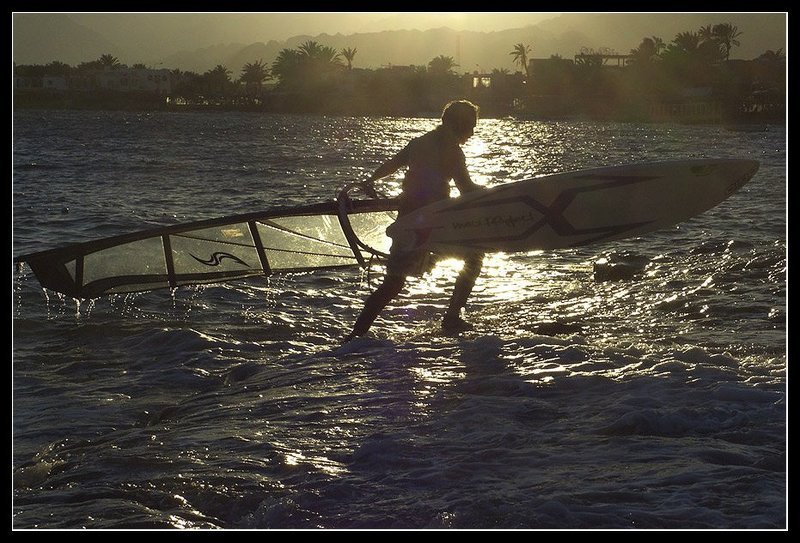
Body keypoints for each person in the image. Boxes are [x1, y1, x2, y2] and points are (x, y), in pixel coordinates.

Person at [344, 100, 485, 343]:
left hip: (408, 219)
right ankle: (452, 317)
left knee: (393, 283)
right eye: (471, 127)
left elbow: (391, 165)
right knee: (474, 255)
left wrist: (370, 181)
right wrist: (492, 194)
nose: (472, 134)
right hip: (434, 223)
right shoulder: (452, 150)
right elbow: (466, 189)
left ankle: (355, 335)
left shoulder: (418, 143)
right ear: (461, 125)